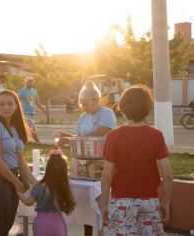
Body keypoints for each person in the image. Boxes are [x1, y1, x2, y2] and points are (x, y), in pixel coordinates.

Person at [100, 85, 173, 235]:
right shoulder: (156, 135)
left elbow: (107, 175)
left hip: (121, 201)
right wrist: (166, 203)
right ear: (148, 109)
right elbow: (168, 175)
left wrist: (104, 204)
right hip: (150, 201)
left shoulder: (114, 137)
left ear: (122, 108)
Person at [58, 81, 117, 236]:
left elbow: (97, 133)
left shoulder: (107, 114)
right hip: (84, 163)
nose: (83, 107)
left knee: (102, 201)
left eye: (85, 103)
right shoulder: (83, 116)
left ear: (96, 100)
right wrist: (66, 137)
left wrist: (73, 139)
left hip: (105, 163)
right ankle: (88, 231)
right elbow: (79, 137)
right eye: (81, 104)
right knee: (85, 203)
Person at [0, 89, 37, 236]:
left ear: (16, 106)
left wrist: (34, 182)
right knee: (1, 226)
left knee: (7, 225)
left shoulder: (14, 128)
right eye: (2, 104)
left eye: (9, 104)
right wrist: (16, 182)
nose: (6, 107)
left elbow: (21, 160)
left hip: (10, 176)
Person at [17, 149, 76, 236]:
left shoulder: (40, 187)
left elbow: (28, 202)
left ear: (48, 169)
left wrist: (18, 193)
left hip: (42, 225)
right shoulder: (64, 188)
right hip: (58, 225)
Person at [18, 76, 47, 142]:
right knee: (32, 128)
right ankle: (39, 143)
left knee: (28, 128)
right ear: (26, 83)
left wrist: (43, 110)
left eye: (32, 81)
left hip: (32, 113)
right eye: (29, 82)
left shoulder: (34, 91)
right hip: (25, 113)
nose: (31, 83)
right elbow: (17, 100)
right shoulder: (22, 91)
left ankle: (25, 141)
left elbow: (37, 102)